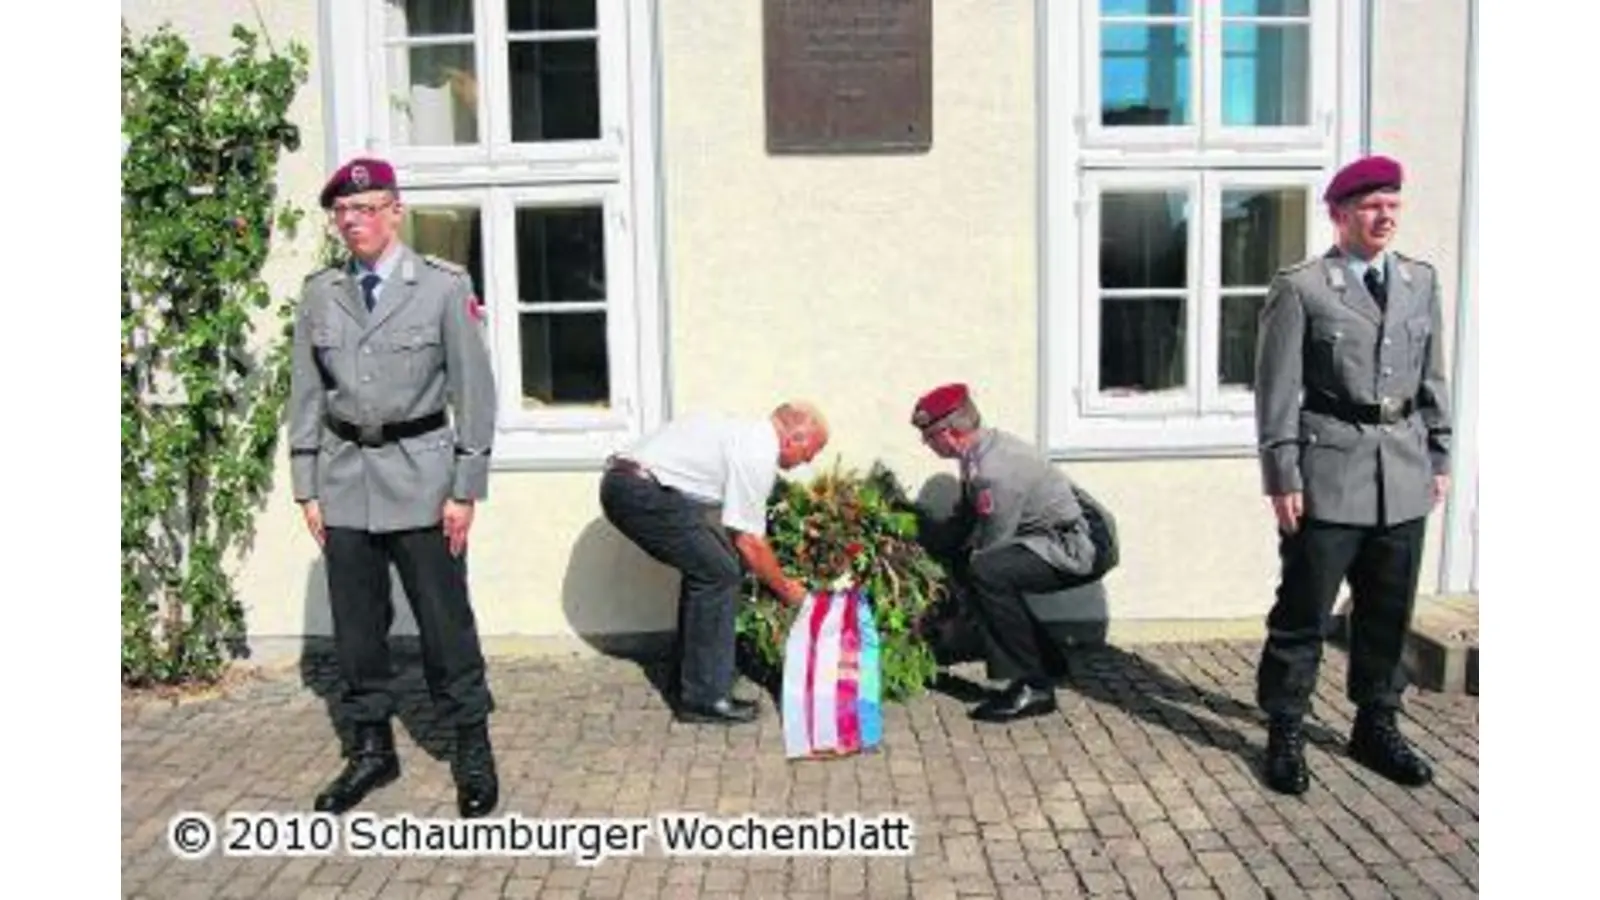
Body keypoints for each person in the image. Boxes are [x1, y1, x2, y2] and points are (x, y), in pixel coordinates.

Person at [288, 156, 500, 817]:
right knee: (356, 627)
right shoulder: (322, 293)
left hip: (424, 475)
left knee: (444, 623)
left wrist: (464, 489)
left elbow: (476, 394)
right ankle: (371, 750)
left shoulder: (441, 286)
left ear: (395, 212)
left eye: (365, 208)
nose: (352, 222)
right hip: (345, 476)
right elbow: (305, 393)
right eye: (342, 213)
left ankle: (471, 743)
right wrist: (305, 485)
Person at [1252, 154, 1452, 796]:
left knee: (1387, 611)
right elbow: (1276, 388)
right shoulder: (1304, 287)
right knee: (1304, 611)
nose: (1385, 215)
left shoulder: (1421, 282)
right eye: (1371, 205)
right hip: (1328, 471)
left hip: (1403, 468)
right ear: (1339, 215)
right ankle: (1285, 726)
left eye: (1393, 203)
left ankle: (1377, 723)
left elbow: (1433, 377)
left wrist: (1440, 455)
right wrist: (1282, 473)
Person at [599, 403, 829, 724]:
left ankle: (690, 676)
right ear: (794, 439)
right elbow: (748, 541)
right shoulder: (757, 451)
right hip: (640, 491)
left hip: (631, 485)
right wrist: (788, 590)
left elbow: (739, 533)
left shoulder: (744, 432)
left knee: (710, 567)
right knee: (718, 574)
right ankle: (704, 698)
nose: (808, 462)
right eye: (811, 452)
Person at [910, 383, 1106, 723]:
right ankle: (1051, 661)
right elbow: (967, 520)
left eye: (928, 436)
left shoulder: (994, 470)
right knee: (979, 566)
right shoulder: (978, 453)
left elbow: (992, 544)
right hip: (1055, 536)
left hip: (1081, 545)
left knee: (987, 572)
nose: (926, 444)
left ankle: (1034, 686)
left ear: (949, 433)